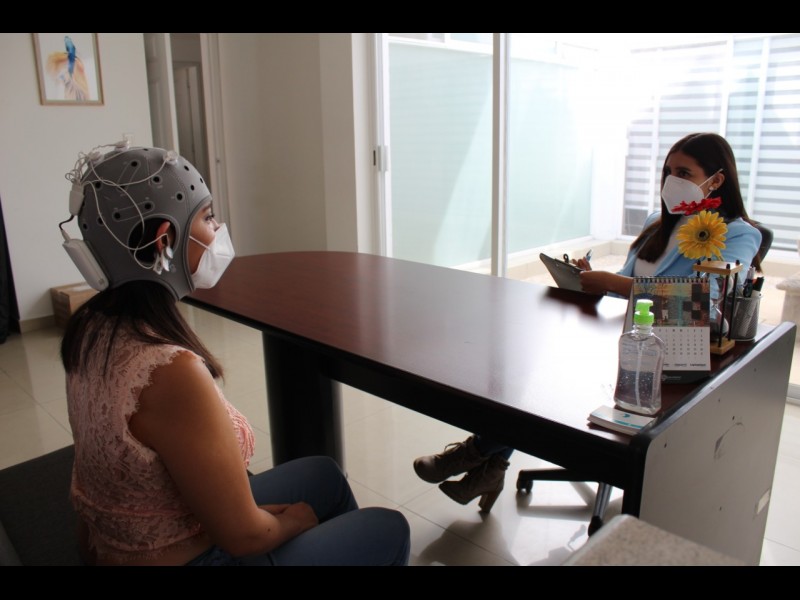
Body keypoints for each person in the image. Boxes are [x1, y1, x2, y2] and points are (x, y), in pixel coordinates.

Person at [59, 142, 410, 566]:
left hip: (123, 541)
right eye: (207, 217)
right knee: (389, 527)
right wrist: (293, 522)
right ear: (165, 239)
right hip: (189, 558)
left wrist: (263, 521)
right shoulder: (168, 371)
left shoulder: (91, 329)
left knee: (324, 475)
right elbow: (244, 538)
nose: (218, 228)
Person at [413, 132, 762, 512]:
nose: (671, 180)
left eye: (683, 172)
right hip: (616, 333)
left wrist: (614, 284)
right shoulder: (656, 222)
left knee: (542, 386)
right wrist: (593, 276)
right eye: (667, 171)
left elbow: (705, 298)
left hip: (667, 352)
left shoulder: (740, 234)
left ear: (717, 179)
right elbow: (629, 279)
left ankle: (474, 454)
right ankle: (489, 467)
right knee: (526, 375)